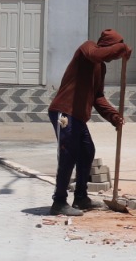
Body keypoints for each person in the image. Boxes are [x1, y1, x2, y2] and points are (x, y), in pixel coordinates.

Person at [47, 29, 130, 217]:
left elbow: (97, 96)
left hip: (78, 116)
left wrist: (113, 116)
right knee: (68, 154)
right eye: (114, 51)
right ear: (108, 46)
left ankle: (81, 198)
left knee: (87, 151)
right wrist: (122, 47)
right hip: (64, 112)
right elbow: (96, 54)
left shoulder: (101, 67)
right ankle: (59, 201)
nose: (115, 57)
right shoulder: (88, 49)